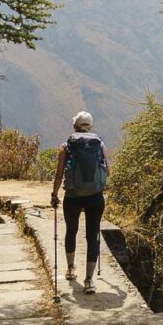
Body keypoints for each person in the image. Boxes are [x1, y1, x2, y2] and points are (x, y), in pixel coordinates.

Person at [50, 111, 109, 294]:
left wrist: (54, 194)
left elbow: (59, 173)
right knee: (93, 236)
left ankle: (70, 269)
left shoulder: (66, 145)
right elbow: (108, 171)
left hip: (73, 196)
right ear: (90, 126)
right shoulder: (99, 144)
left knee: (71, 231)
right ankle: (89, 280)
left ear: (74, 126)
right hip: (95, 196)